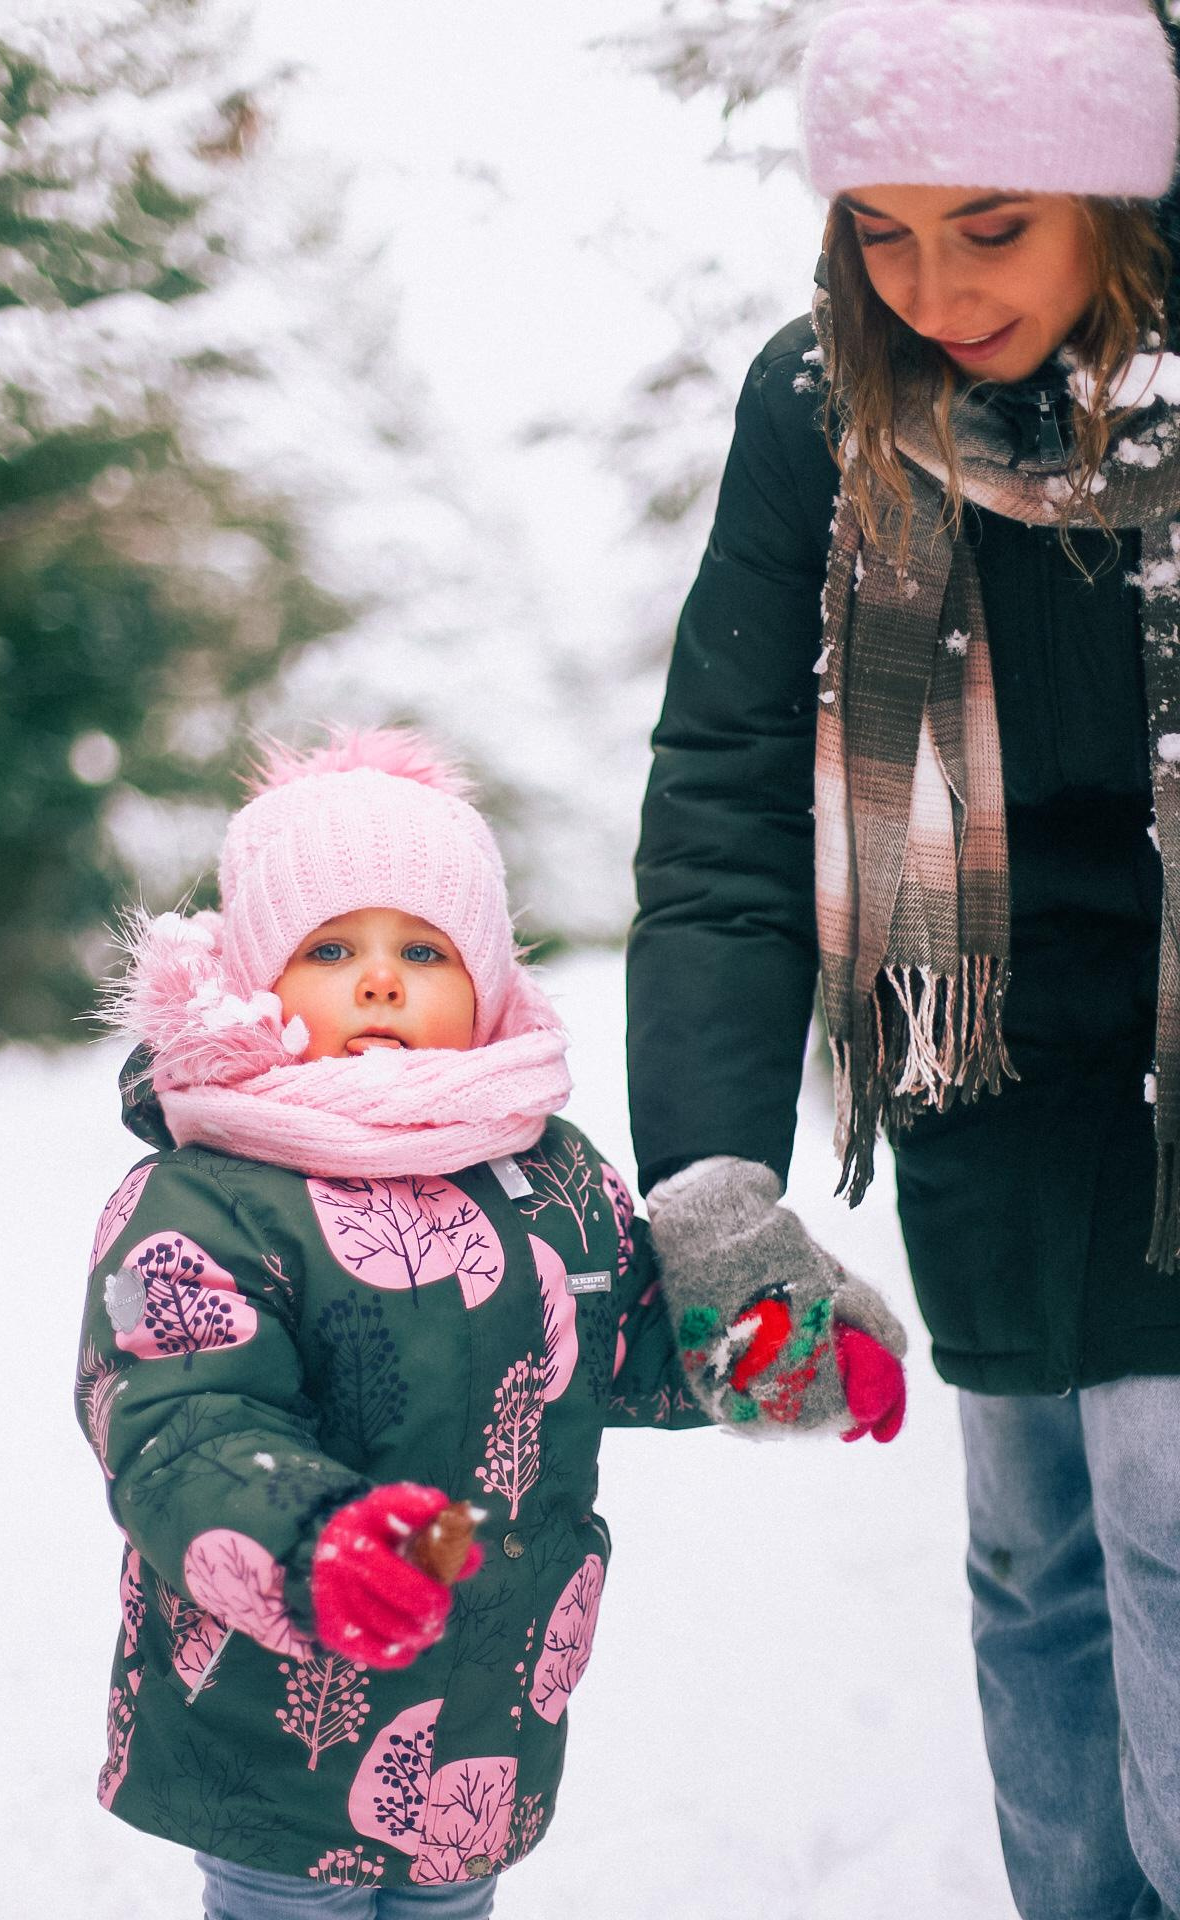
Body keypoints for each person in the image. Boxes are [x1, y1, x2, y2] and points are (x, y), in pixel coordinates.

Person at [628, 2, 1180, 1916]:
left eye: (993, 226)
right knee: (1034, 1554)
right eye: (881, 231)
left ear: (1123, 192)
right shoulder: (822, 412)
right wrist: (712, 1177)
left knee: (1167, 1518)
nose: (933, 291)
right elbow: (728, 791)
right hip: (984, 1056)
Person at [75, 728, 907, 1920]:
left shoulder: (545, 1178)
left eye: (422, 949)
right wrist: (309, 1539)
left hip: (483, 1714)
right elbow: (179, 1420)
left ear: (486, 984)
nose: (379, 980)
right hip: (274, 1722)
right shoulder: (204, 1196)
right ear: (260, 976)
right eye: (330, 948)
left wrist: (792, 1350)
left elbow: (637, 1336)